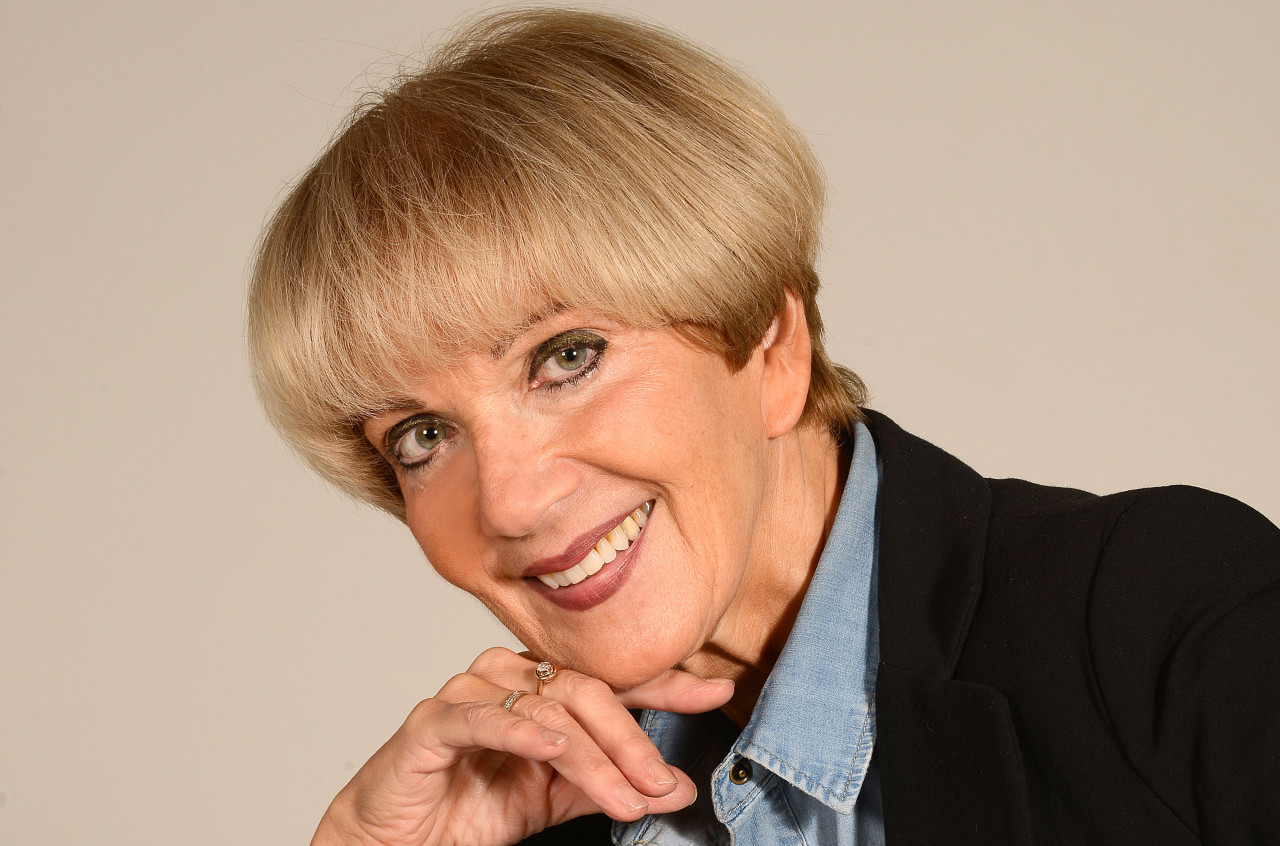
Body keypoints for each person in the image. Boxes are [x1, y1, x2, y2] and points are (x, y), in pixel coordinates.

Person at [247, 9, 1280, 845]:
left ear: (773, 347)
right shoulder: (510, 819)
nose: (509, 502)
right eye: (421, 436)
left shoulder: (1164, 619)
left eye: (565, 357)